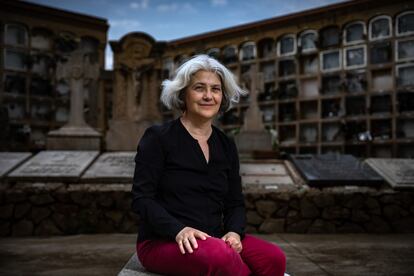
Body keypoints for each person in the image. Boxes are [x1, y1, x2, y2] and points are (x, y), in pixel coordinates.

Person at [132, 55, 286, 276]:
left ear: (222, 97)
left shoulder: (225, 144)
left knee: (273, 258)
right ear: (183, 93)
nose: (208, 96)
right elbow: (142, 199)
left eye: (215, 89)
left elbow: (235, 203)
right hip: (164, 240)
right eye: (199, 88)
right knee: (220, 256)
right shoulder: (158, 138)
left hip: (216, 237)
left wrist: (233, 232)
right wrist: (178, 230)